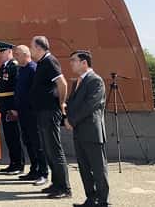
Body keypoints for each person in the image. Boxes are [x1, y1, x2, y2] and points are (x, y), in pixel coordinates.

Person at [29, 36, 72, 199]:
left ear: (39, 48)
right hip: (42, 111)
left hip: (50, 111)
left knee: (55, 149)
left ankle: (65, 188)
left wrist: (61, 103)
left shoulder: (50, 61)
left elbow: (63, 83)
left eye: (32, 47)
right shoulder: (42, 63)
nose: (30, 50)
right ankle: (56, 184)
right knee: (48, 149)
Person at [66, 50, 110, 207]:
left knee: (98, 168)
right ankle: (91, 199)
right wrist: (65, 117)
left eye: (74, 60)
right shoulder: (77, 82)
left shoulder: (95, 81)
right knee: (84, 168)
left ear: (84, 63)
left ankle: (103, 201)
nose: (71, 63)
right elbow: (72, 104)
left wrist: (72, 121)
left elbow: (90, 105)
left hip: (92, 132)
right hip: (79, 132)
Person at [11, 45, 48, 186]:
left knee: (37, 143)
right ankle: (34, 169)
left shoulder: (33, 69)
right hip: (23, 112)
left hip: (32, 113)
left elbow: (37, 92)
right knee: (28, 142)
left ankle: (43, 173)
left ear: (26, 54)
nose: (15, 57)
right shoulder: (21, 70)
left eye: (17, 54)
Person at [0, 41, 24, 175]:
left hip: (11, 107)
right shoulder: (3, 67)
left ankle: (19, 164)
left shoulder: (14, 66)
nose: (0, 54)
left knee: (14, 136)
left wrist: (15, 108)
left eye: (2, 51)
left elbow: (17, 89)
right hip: (4, 106)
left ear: (9, 52)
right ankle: (13, 163)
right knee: (8, 136)